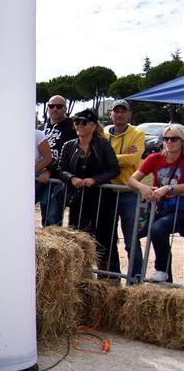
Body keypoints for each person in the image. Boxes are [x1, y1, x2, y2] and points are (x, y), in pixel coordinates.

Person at [57, 109, 120, 271]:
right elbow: (60, 168)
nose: (79, 126)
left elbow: (114, 169)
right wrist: (72, 178)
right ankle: (81, 275)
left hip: (102, 200)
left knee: (106, 239)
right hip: (79, 199)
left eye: (83, 123)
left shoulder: (103, 145)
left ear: (93, 126)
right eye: (76, 123)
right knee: (78, 237)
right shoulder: (69, 146)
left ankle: (108, 277)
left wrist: (95, 180)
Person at [127, 123, 184, 283]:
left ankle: (161, 270)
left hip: (181, 208)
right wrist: (143, 187)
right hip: (159, 208)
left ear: (182, 141)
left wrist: (168, 188)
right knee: (134, 235)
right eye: (166, 138)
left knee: (157, 229)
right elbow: (131, 179)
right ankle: (140, 278)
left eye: (174, 139)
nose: (169, 142)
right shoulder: (154, 158)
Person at [105, 99, 146, 279]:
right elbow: (98, 156)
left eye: (124, 111)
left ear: (129, 114)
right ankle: (112, 278)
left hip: (129, 194)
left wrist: (109, 157)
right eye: (116, 111)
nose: (120, 114)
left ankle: (135, 280)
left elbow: (133, 159)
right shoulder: (104, 132)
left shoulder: (138, 133)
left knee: (132, 242)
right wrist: (119, 156)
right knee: (108, 239)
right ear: (111, 114)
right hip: (107, 193)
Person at [39, 95, 77, 226]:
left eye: (59, 106)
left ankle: (54, 246)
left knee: (53, 217)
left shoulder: (72, 128)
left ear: (65, 109)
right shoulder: (43, 128)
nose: (55, 109)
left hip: (60, 179)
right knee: (45, 216)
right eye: (51, 106)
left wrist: (49, 170)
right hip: (44, 179)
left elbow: (66, 155)